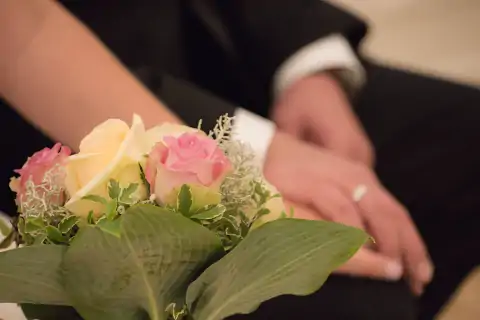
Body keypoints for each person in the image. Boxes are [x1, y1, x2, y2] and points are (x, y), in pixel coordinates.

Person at [1, 1, 479, 319]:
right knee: (362, 298)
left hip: (225, 42)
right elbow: (22, 34)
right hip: (64, 124)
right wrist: (246, 156)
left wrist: (310, 64)